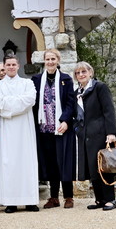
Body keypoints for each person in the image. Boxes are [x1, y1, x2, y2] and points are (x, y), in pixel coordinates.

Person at [0, 56, 40, 214]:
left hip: (25, 129)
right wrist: (18, 103)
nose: (11, 67)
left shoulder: (27, 83)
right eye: (8, 65)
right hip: (7, 130)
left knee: (27, 161)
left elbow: (30, 100)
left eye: (13, 64)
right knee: (8, 163)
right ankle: (10, 202)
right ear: (4, 67)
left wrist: (8, 105)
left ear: (18, 66)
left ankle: (30, 201)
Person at [32, 49, 77, 209]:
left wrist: (65, 121)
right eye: (47, 59)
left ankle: (68, 196)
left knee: (64, 161)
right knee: (51, 163)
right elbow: (33, 102)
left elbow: (71, 103)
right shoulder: (36, 79)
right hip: (44, 129)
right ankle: (53, 197)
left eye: (53, 59)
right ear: (44, 61)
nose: (50, 62)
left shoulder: (66, 79)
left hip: (61, 128)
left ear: (58, 61)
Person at [74, 61, 116, 211]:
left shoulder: (99, 87)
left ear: (90, 73)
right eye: (78, 73)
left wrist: (111, 133)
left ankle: (110, 200)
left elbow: (109, 111)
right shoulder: (78, 92)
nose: (81, 75)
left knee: (104, 167)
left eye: (83, 72)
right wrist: (77, 130)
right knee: (93, 168)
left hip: (101, 133)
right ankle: (99, 199)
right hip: (85, 135)